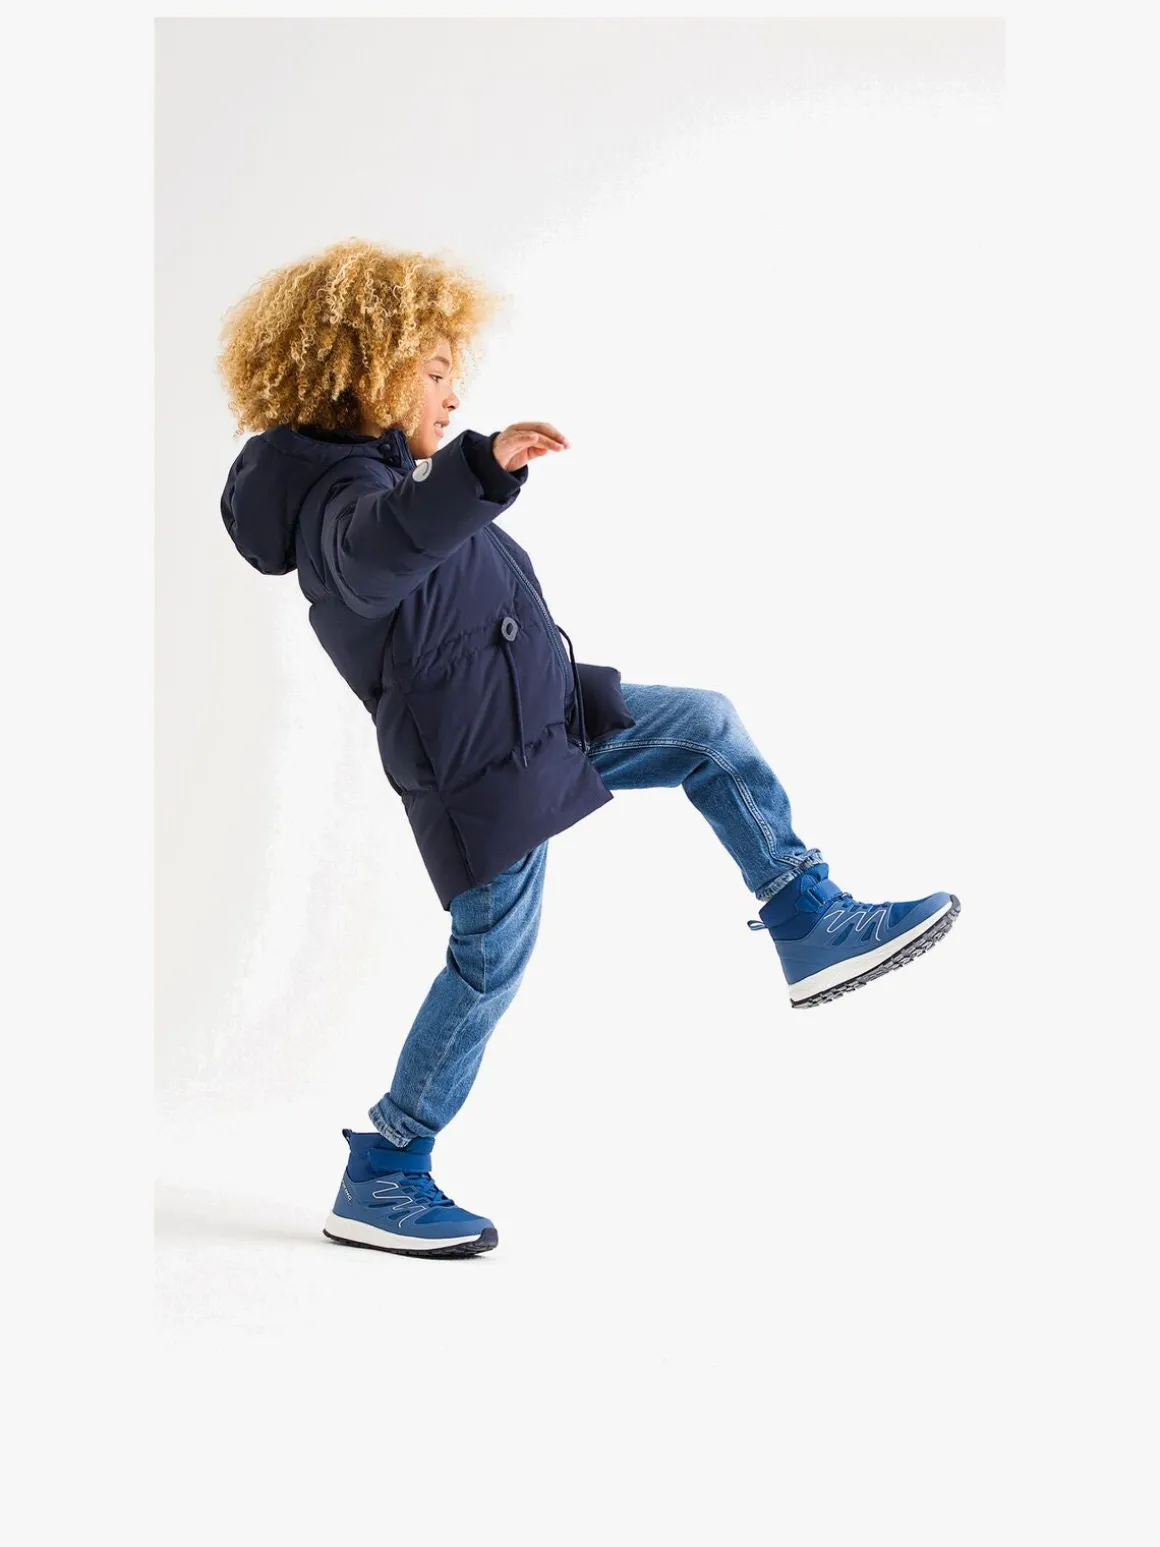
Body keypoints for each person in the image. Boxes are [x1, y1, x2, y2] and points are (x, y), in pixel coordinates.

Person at [217, 238, 960, 1259]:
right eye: (433, 371)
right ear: (367, 370)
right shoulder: (341, 509)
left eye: (454, 372)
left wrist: (547, 653)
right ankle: (388, 1163)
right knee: (488, 964)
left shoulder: (389, 477)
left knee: (703, 724)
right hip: (480, 773)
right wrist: (480, 469)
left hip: (541, 720)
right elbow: (384, 550)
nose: (452, 392)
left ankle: (806, 914)